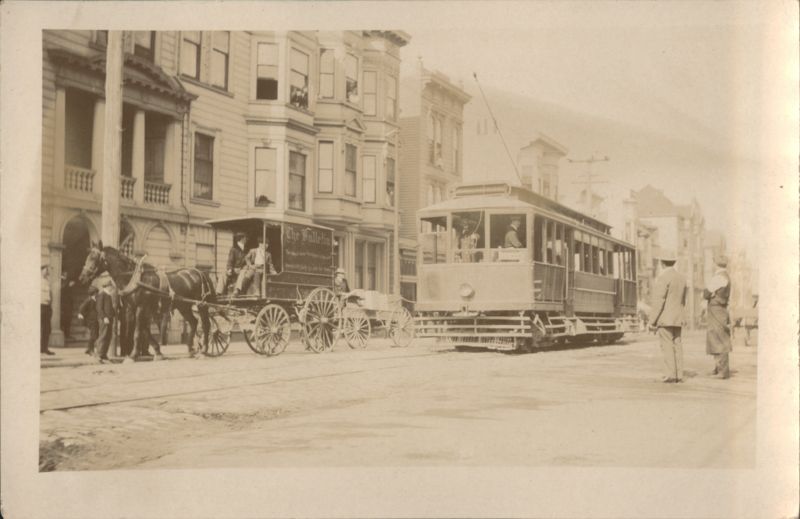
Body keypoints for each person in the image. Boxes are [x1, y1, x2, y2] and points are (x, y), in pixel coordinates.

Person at [648, 250, 687, 383]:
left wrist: (652, 321)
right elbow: (683, 300)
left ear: (661, 263)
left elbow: (659, 301)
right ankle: (679, 374)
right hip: (678, 318)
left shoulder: (663, 278)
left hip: (665, 319)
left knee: (667, 346)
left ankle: (670, 374)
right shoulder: (681, 278)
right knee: (677, 345)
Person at [703, 255, 732, 379]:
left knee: (719, 338)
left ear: (716, 263)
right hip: (720, 309)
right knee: (717, 337)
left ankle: (722, 371)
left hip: (716, 310)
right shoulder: (725, 276)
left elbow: (706, 293)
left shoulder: (718, 277)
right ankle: (718, 368)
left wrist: (711, 294)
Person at [94, 278, 117, 363]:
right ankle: (99, 355)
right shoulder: (102, 295)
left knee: (108, 337)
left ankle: (104, 354)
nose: (111, 287)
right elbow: (99, 308)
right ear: (107, 286)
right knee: (103, 336)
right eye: (110, 286)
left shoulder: (108, 295)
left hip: (109, 319)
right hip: (104, 319)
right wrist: (104, 317)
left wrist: (113, 314)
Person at [77, 286, 99, 356]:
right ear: (94, 293)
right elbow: (81, 308)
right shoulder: (89, 300)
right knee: (94, 335)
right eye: (96, 293)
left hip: (95, 320)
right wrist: (82, 314)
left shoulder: (95, 300)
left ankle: (89, 349)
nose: (97, 294)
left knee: (95, 334)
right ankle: (90, 350)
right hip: (91, 320)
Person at [41, 266, 55, 355]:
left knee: (47, 329)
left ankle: (44, 348)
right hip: (40, 306)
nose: (47, 272)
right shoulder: (37, 281)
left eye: (48, 270)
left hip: (47, 307)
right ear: (41, 270)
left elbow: (50, 294)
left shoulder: (47, 282)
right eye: (46, 270)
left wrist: (50, 305)